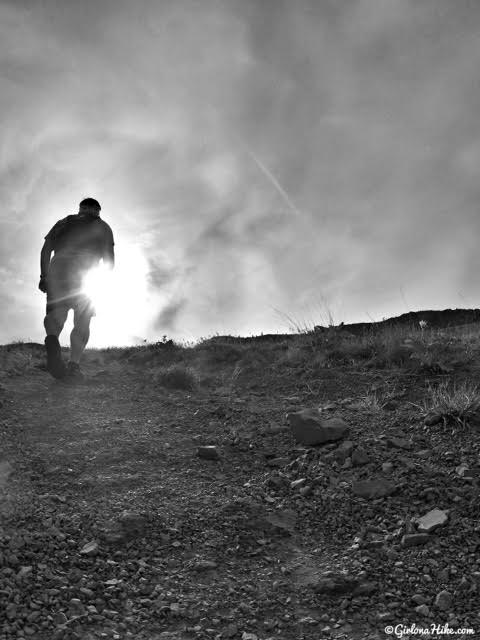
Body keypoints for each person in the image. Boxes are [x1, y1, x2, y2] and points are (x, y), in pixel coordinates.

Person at [39, 197, 115, 380]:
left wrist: (44, 276)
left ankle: (52, 339)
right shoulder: (103, 226)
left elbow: (45, 249)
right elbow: (109, 260)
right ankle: (74, 366)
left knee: (56, 315)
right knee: (82, 321)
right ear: (97, 210)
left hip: (58, 270)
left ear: (80, 209)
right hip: (84, 272)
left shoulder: (63, 222)